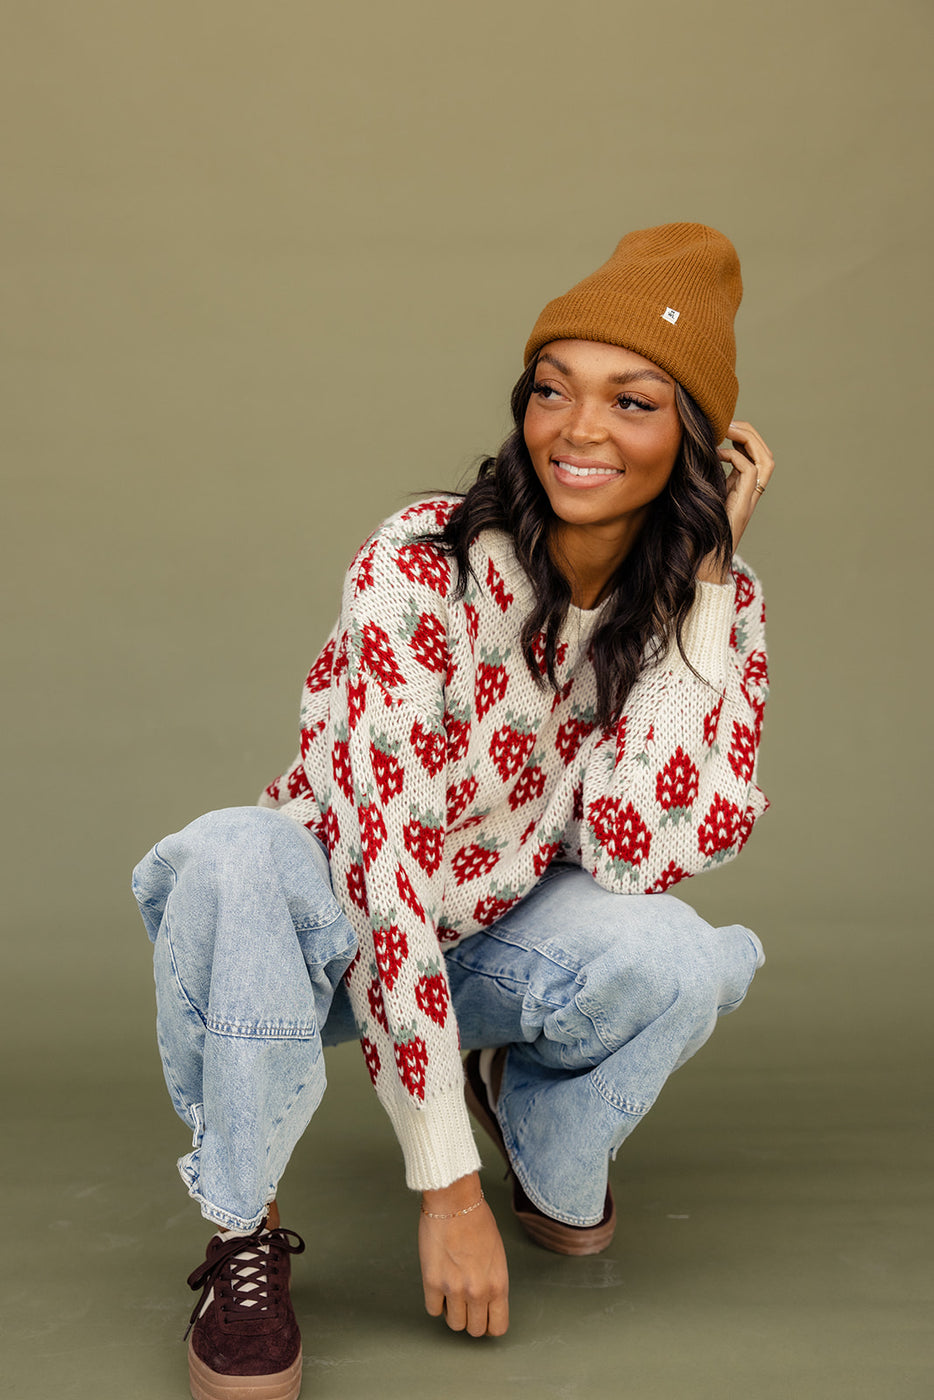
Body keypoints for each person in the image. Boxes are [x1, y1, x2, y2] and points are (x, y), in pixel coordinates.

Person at [132, 222, 774, 1400]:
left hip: (483, 934)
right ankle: (241, 1235)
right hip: (315, 930)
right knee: (229, 854)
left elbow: (638, 851)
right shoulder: (418, 565)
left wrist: (705, 584)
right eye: (551, 390)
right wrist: (444, 1187)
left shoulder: (706, 604)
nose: (577, 430)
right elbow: (384, 868)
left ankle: (529, 1129)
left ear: (689, 437)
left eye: (631, 402)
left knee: (678, 957)